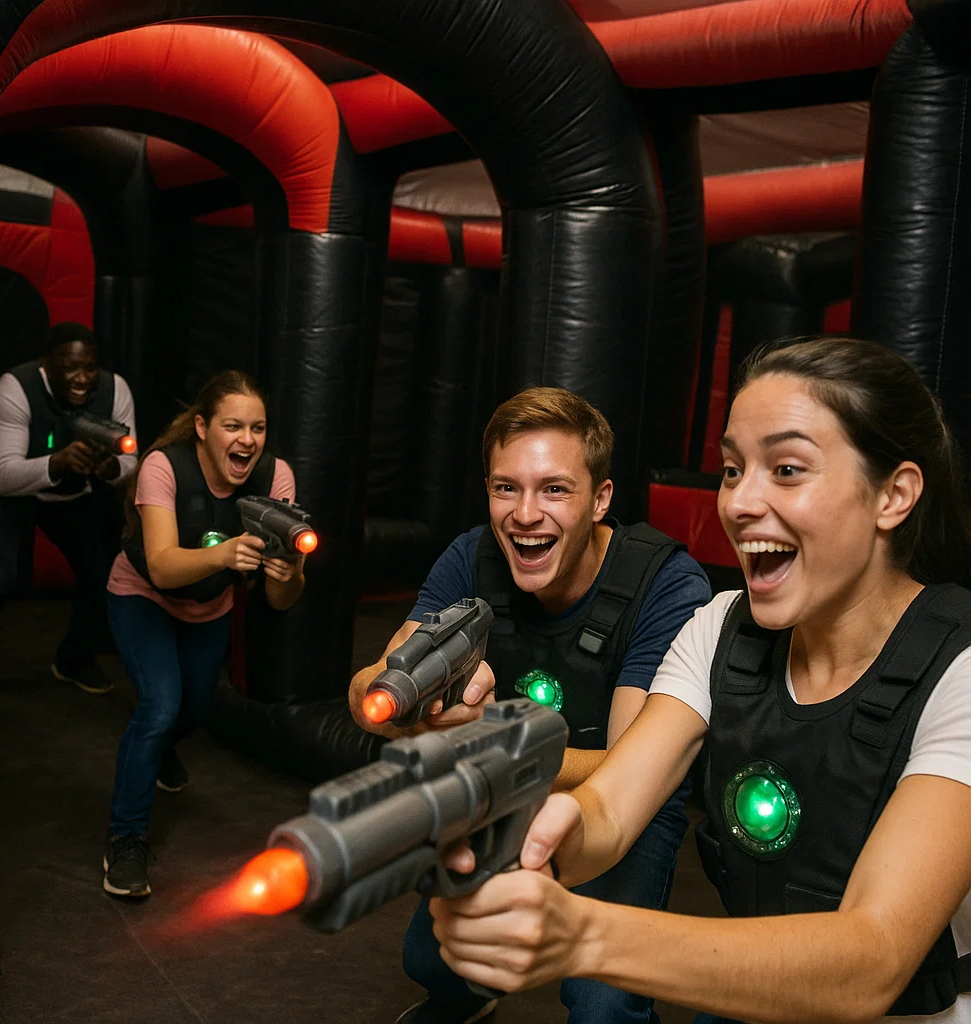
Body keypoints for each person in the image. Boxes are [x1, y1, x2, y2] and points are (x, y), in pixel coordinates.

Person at [430, 337, 971, 1024]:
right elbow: (610, 808)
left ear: (894, 494)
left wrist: (584, 936)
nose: (741, 502)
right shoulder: (720, 626)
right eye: (732, 469)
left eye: (786, 469)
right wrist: (535, 842)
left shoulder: (961, 670)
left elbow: (869, 963)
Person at [350, 387, 712, 1024]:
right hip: (505, 789)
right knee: (433, 961)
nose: (524, 514)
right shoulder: (472, 556)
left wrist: (488, 738)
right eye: (505, 488)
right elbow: (374, 685)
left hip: (619, 803)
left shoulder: (663, 585)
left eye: (554, 490)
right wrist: (403, 705)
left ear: (600, 499)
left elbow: (629, 771)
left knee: (603, 1009)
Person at [102, 370, 305, 899]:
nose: (247, 440)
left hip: (209, 607)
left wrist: (291, 576)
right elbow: (165, 567)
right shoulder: (162, 467)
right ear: (202, 427)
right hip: (142, 595)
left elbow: (281, 601)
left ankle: (162, 747)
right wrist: (223, 553)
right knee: (159, 704)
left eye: (257, 428)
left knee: (191, 710)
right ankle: (125, 840)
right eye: (233, 426)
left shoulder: (276, 476)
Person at [0, 321, 137, 694]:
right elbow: (2, 474)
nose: (82, 378)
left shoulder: (116, 390)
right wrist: (58, 462)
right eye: (70, 367)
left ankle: (75, 659)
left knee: (106, 573)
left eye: (89, 367)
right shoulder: (16, 388)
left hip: (74, 496)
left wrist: (111, 468)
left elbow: (131, 462)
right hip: (14, 495)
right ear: (47, 363)